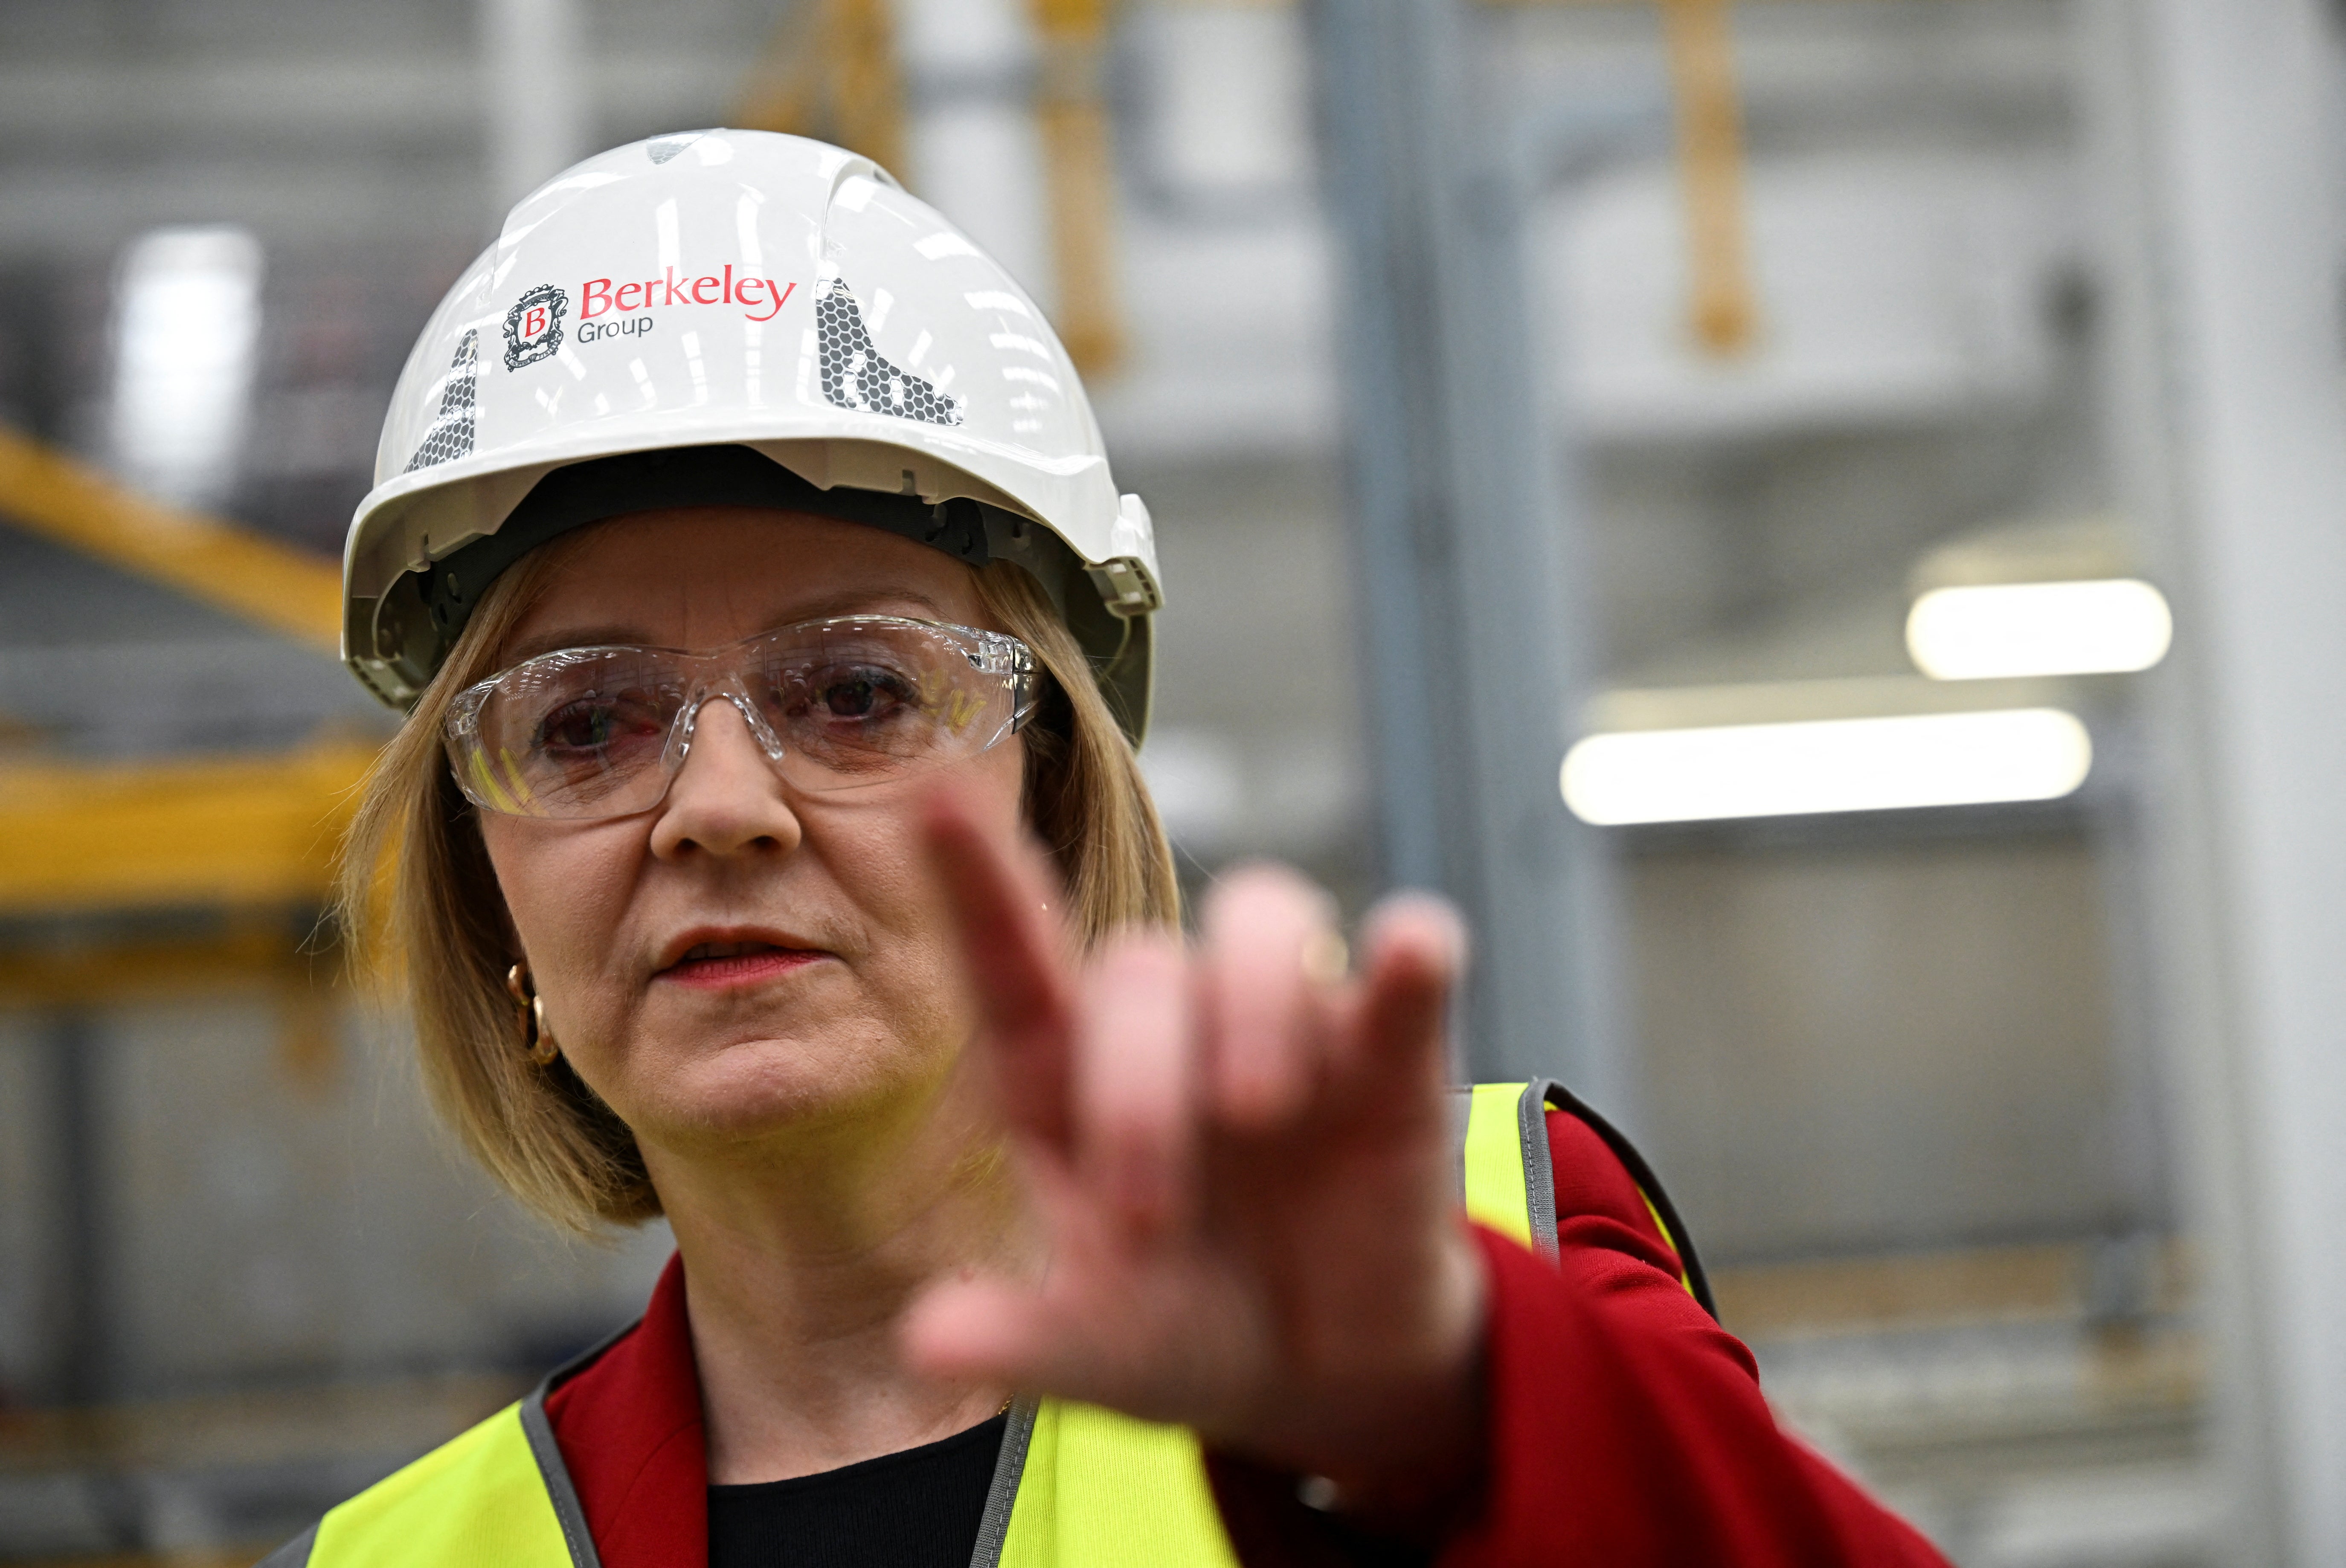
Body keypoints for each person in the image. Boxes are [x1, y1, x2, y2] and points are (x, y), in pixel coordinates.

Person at [264, 129, 1950, 1567]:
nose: (719, 805)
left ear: (1054, 798)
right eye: (583, 723)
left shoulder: (1458, 1265)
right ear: (488, 880)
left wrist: (1457, 1413)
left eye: (855, 690)